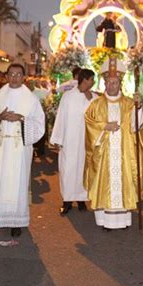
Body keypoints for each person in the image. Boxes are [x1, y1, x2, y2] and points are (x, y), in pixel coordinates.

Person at [0, 64, 45, 246]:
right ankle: (3, 218)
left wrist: (22, 118)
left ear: (23, 77)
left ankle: (17, 221)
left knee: (18, 183)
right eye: (11, 74)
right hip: (2, 148)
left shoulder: (31, 99)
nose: (15, 77)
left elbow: (40, 123)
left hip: (20, 149)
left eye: (18, 74)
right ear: (7, 76)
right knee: (1, 181)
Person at [84, 59, 143, 230]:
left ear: (120, 83)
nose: (112, 85)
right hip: (104, 153)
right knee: (104, 182)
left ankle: (124, 220)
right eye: (109, 82)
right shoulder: (96, 104)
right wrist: (104, 126)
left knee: (123, 182)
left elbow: (137, 126)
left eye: (115, 82)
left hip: (124, 153)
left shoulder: (129, 104)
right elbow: (89, 122)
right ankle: (105, 221)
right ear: (104, 83)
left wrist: (139, 107)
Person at [50, 69, 97, 215]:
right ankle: (67, 201)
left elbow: (97, 118)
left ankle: (81, 199)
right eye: (92, 79)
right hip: (69, 140)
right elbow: (61, 118)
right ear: (85, 80)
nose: (93, 82)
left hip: (86, 141)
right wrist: (58, 138)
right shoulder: (68, 97)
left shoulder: (94, 98)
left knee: (83, 169)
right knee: (68, 170)